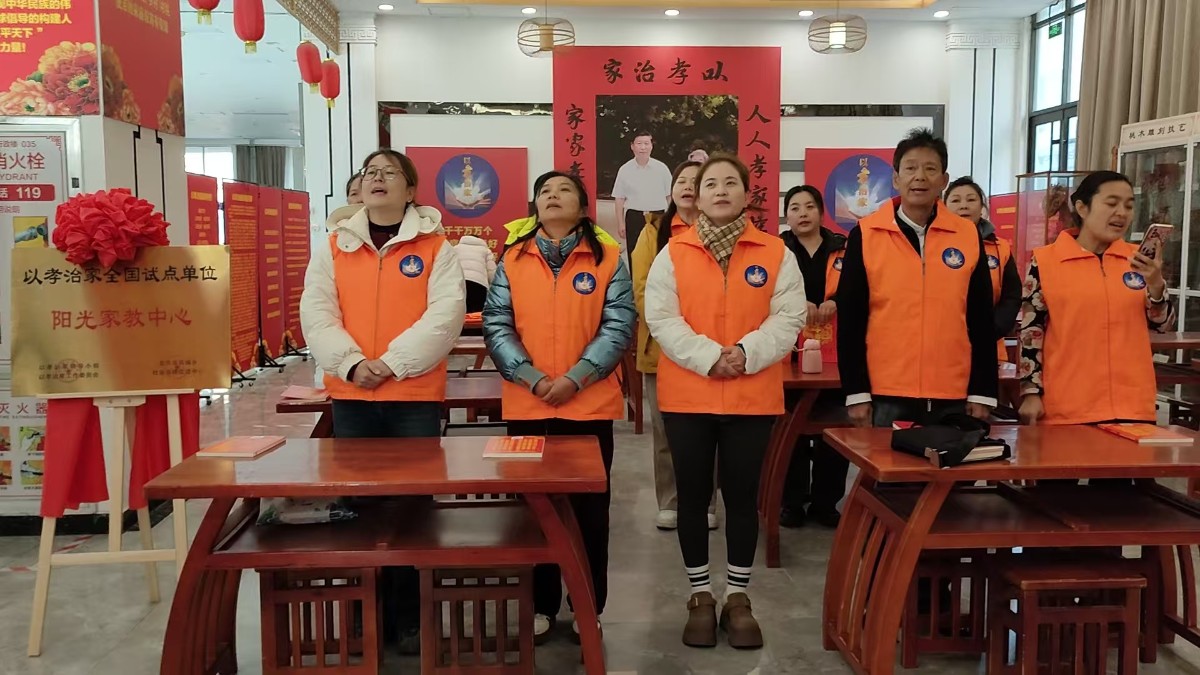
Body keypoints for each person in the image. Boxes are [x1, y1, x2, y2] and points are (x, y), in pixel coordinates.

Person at [300, 149, 466, 652]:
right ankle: (364, 615)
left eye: (389, 173)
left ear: (410, 190)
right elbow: (317, 311)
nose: (377, 179)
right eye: (370, 172)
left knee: (413, 505)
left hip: (412, 394)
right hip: (352, 394)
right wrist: (352, 364)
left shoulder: (436, 247)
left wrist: (392, 364)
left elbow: (445, 316)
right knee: (358, 504)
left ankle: (411, 615)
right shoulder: (334, 245)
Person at [645, 153, 806, 649]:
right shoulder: (672, 252)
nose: (719, 191)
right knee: (693, 499)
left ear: (746, 193)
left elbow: (789, 316)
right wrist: (711, 357)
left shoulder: (776, 252)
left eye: (730, 183)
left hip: (751, 395)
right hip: (688, 395)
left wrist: (745, 353)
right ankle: (699, 595)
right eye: (709, 183)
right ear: (696, 194)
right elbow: (661, 317)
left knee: (741, 500)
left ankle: (737, 596)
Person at [483, 170, 636, 644]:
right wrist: (529, 376)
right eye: (544, 191)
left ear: (583, 207)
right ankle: (541, 605)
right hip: (527, 405)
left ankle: (588, 606)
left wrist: (577, 377)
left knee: (590, 514)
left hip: (588, 405)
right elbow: (496, 321)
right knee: (534, 511)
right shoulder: (513, 258)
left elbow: (619, 323)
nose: (552, 196)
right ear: (535, 206)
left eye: (563, 190)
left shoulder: (608, 258)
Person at [837, 128, 998, 428]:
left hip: (954, 391)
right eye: (910, 168)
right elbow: (851, 319)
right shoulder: (866, 235)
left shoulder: (967, 235)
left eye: (930, 169)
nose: (920, 177)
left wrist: (983, 391)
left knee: (954, 461)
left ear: (944, 180)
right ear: (896, 178)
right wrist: (856, 392)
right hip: (886, 391)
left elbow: (981, 318)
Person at [1018, 171, 1173, 426]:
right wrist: (1031, 391)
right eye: (1111, 203)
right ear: (1082, 208)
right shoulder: (1046, 261)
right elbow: (1031, 332)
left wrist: (1156, 283)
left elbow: (1162, 325)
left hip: (1133, 406)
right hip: (1069, 407)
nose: (1121, 213)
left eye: (1129, 206)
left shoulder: (1139, 260)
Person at [631, 160, 719, 532]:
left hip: (711, 348)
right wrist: (673, 332)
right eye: (681, 180)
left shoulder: (720, 231)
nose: (687, 187)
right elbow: (641, 290)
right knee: (666, 430)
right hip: (661, 349)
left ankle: (705, 503)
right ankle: (669, 501)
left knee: (709, 430)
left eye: (695, 181)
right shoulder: (654, 232)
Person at [778, 185, 848, 529]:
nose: (802, 213)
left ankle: (825, 502)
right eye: (795, 207)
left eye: (809, 206)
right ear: (786, 216)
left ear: (821, 212)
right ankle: (791, 502)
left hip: (834, 352)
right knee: (790, 428)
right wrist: (796, 303)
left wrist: (838, 301)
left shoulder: (844, 249)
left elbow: (862, 288)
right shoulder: (777, 250)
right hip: (790, 351)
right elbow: (764, 293)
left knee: (833, 428)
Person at [945, 176, 1021, 361]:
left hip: (989, 345)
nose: (964, 206)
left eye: (971, 200)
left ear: (982, 208)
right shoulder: (932, 245)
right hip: (943, 345)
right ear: (943, 208)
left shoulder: (1000, 248)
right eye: (955, 201)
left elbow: (1012, 296)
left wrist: (991, 329)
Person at [613, 130, 672, 264]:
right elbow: (619, 198)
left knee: (658, 254)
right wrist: (620, 223)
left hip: (657, 216)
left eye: (646, 143)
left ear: (651, 146)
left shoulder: (661, 168)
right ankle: (635, 278)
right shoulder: (625, 170)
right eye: (639, 143)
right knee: (635, 254)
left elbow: (670, 196)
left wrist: (671, 218)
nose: (643, 147)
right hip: (634, 217)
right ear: (632, 146)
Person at [454, 234, 497, 313]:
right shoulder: (485, 250)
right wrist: (494, 288)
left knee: (458, 312)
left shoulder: (455, 249)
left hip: (459, 283)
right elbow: (491, 271)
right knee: (476, 314)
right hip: (479, 285)